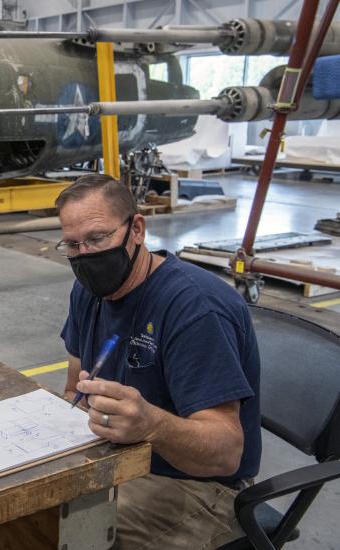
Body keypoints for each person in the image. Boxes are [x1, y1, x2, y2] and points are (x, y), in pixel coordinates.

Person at [57, 174, 261, 549]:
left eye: (98, 238)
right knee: (21, 514)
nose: (85, 255)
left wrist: (150, 424)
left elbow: (226, 453)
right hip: (119, 460)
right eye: (72, 245)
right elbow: (74, 389)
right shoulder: (87, 292)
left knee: (69, 532)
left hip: (198, 487)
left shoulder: (195, 308)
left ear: (137, 229)